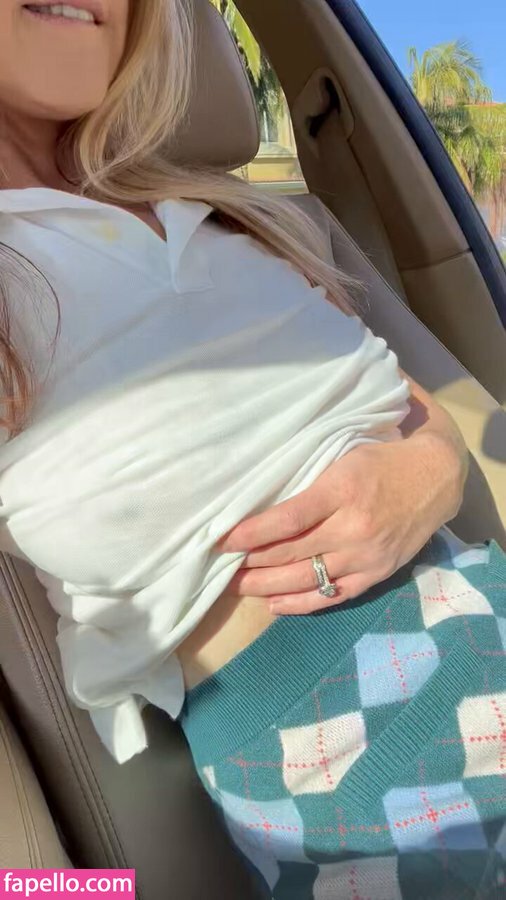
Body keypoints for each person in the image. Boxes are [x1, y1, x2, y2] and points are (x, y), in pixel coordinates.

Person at [0, 1, 504, 897]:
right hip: (351, 762)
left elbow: (414, 405)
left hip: (483, 605)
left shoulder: (235, 213)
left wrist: (431, 469)